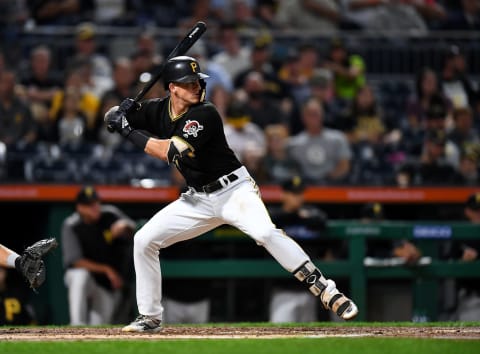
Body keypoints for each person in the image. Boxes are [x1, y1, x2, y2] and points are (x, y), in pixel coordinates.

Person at [104, 55, 358, 332]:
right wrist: (119, 112)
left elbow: (169, 152)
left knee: (264, 234)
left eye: (198, 82)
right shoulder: (158, 109)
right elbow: (121, 113)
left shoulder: (205, 113)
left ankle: (325, 289)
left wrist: (126, 129)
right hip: (197, 199)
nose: (197, 87)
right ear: (172, 88)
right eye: (189, 84)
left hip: (234, 191)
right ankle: (150, 317)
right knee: (144, 240)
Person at [61, 185, 136, 325]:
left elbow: (132, 226)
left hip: (105, 285)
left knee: (100, 325)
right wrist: (107, 269)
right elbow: (75, 261)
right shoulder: (72, 225)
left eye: (96, 203)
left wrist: (124, 225)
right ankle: (77, 323)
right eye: (89, 205)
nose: (95, 207)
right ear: (79, 208)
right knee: (79, 274)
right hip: (89, 279)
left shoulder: (110, 214)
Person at [267, 176, 329, 323]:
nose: (298, 198)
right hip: (282, 289)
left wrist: (300, 217)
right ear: (284, 195)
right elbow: (272, 219)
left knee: (309, 338)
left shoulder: (311, 213)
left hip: (309, 289)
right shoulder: (273, 216)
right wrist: (297, 216)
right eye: (294, 194)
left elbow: (322, 221)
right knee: (278, 334)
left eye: (300, 194)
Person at [449, 193, 480, 321]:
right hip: (472, 296)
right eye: (477, 210)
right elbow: (449, 262)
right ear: (468, 212)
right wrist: (462, 263)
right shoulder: (461, 234)